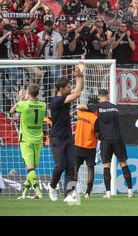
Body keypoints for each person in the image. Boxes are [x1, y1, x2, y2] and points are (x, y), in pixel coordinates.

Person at [77, 89, 134, 198]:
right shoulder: (115, 107)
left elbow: (79, 107)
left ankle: (108, 193)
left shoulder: (97, 106)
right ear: (108, 96)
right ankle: (130, 191)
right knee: (124, 164)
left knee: (106, 166)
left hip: (105, 140)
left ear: (99, 97)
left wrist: (91, 106)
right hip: (118, 139)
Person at [48, 62, 84, 203]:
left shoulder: (64, 97)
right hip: (57, 138)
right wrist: (79, 76)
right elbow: (77, 94)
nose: (70, 88)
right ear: (61, 89)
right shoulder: (56, 101)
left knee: (71, 165)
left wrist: (80, 76)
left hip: (68, 137)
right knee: (61, 165)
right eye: (68, 86)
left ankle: (69, 194)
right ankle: (52, 186)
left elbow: (77, 90)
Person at [10, 84, 46, 199]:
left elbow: (11, 111)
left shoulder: (23, 105)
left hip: (26, 141)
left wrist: (21, 98)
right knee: (32, 169)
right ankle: (25, 193)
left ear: (28, 93)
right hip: (38, 140)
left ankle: (38, 192)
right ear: (38, 94)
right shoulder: (43, 105)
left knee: (30, 169)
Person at [73, 97, 99, 199]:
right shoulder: (95, 118)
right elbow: (97, 134)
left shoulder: (80, 113)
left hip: (78, 144)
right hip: (90, 146)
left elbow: (71, 113)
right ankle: (88, 192)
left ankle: (73, 191)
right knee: (90, 169)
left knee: (75, 169)